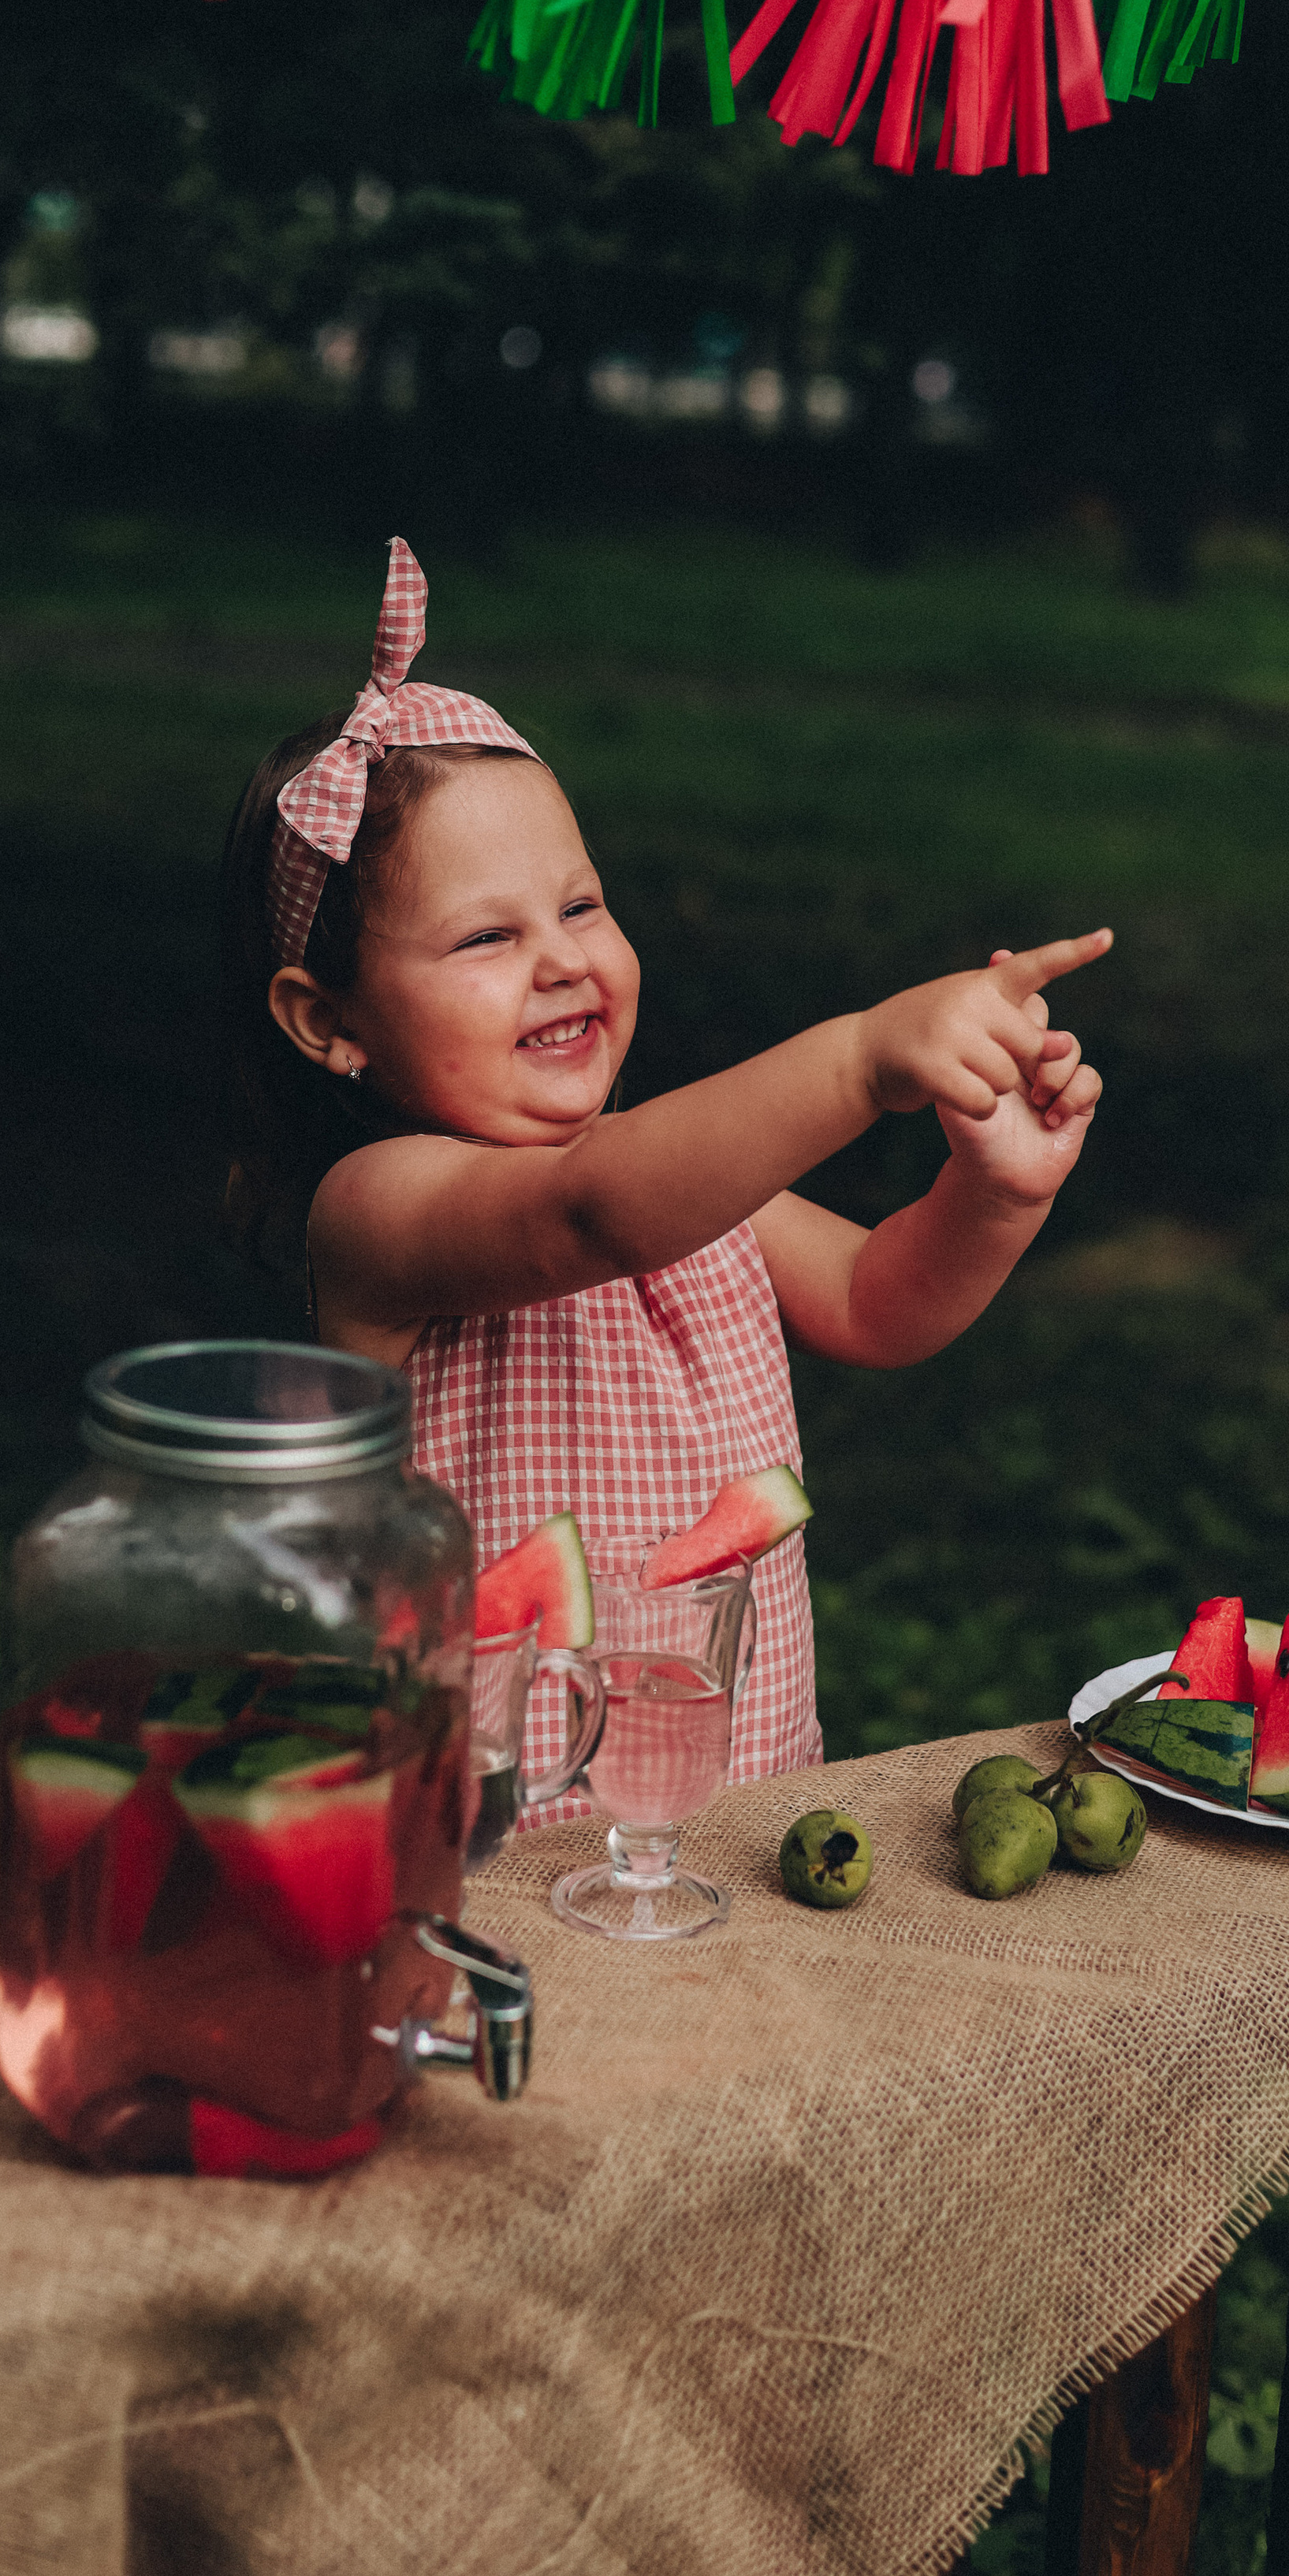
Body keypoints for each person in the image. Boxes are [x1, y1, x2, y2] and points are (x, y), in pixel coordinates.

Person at [222, 538, 1108, 1815]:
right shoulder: (379, 1213)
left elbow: (877, 1299)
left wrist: (995, 1194)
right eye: (486, 936)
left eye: (581, 908)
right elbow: (592, 1215)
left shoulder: (694, 1183)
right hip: (488, 1850)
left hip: (736, 1815)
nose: (562, 960)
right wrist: (859, 1060)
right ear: (328, 1023)